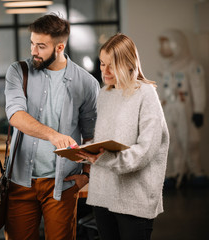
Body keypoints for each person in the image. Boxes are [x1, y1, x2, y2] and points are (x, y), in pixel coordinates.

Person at [4, 13, 100, 240]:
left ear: (59, 47)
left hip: (63, 184)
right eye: (32, 43)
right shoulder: (18, 72)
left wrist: (86, 175)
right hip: (20, 182)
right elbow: (15, 115)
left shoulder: (86, 83)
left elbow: (92, 136)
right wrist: (53, 135)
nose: (33, 51)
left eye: (41, 46)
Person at [76, 33, 169, 240]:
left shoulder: (146, 94)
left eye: (112, 65)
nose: (105, 71)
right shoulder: (105, 94)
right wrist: (85, 149)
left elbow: (146, 150)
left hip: (134, 199)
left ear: (129, 64)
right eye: (102, 64)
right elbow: (106, 140)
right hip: (103, 195)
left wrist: (103, 157)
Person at [157, 29, 207, 188]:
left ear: (177, 45)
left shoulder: (192, 66)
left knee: (192, 140)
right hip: (170, 110)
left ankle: (196, 172)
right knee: (172, 142)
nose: (163, 49)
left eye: (167, 45)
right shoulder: (167, 67)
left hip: (187, 111)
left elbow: (198, 89)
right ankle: (176, 173)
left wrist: (199, 110)